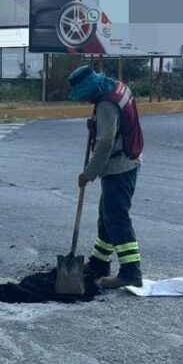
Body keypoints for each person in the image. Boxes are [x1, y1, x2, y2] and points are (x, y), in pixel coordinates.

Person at [67, 65, 144, 289]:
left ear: (90, 89)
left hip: (120, 165)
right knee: (106, 215)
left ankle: (131, 272)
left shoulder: (106, 104)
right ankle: (99, 263)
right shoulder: (117, 87)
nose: (84, 100)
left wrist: (88, 173)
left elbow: (105, 143)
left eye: (84, 96)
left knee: (117, 217)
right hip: (128, 157)